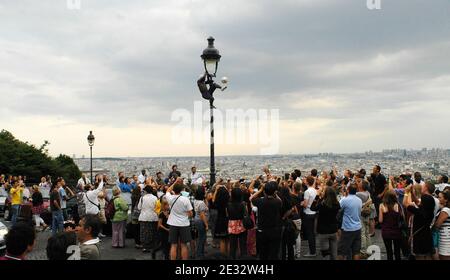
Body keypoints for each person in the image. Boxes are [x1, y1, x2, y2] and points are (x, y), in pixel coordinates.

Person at [251, 181, 282, 260]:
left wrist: (260, 190)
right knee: (273, 253)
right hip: (274, 230)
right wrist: (275, 194)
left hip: (262, 230)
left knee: (263, 253)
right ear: (274, 192)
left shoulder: (260, 201)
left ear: (264, 191)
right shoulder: (277, 202)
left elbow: (251, 198)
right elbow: (280, 201)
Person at [403, 183, 435, 260]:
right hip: (427, 235)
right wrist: (412, 193)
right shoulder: (429, 212)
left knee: (419, 256)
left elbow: (405, 204)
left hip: (419, 238)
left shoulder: (418, 212)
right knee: (427, 255)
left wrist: (406, 192)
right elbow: (417, 201)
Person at [165, 178, 193, 260]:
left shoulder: (170, 198)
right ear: (181, 190)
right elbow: (190, 213)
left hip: (173, 223)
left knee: (173, 245)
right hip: (184, 223)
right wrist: (186, 216)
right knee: (184, 245)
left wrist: (174, 182)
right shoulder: (185, 199)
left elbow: (168, 190)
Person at [311, 186, 340, 260]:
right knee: (334, 254)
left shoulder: (322, 205)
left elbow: (312, 208)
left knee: (325, 254)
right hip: (333, 230)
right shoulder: (337, 204)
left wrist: (317, 197)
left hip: (323, 231)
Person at [338, 183, 362, 260]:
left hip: (347, 229)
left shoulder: (344, 200)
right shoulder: (359, 200)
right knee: (356, 251)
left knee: (342, 251)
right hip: (358, 228)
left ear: (348, 190)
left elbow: (338, 208)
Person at [379, 190, 402, 260]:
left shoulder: (382, 205)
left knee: (389, 251)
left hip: (386, 231)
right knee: (397, 251)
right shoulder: (397, 205)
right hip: (396, 230)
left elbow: (380, 220)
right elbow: (399, 218)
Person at [138, 186, 159, 257]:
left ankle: (145, 246)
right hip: (153, 216)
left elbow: (139, 207)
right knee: (152, 231)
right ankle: (152, 246)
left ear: (146, 191)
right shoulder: (155, 198)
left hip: (143, 216)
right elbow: (157, 207)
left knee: (144, 231)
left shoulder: (142, 198)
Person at [227, 187, 248, 259]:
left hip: (232, 225)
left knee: (232, 246)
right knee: (243, 246)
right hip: (241, 224)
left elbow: (227, 214)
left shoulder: (228, 204)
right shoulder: (243, 204)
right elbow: (246, 214)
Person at [301, 176, 318, 257]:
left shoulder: (307, 192)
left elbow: (305, 204)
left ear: (307, 182)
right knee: (312, 233)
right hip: (313, 212)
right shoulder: (315, 190)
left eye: (305, 180)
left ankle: (312, 252)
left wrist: (301, 203)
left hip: (307, 213)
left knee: (309, 234)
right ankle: (313, 250)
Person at [356, 179, 372, 257]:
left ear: (362, 186)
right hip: (367, 214)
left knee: (362, 233)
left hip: (361, 214)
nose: (358, 184)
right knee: (367, 232)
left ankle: (363, 251)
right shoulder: (368, 193)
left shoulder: (359, 194)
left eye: (360, 183)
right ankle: (369, 250)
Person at [213, 183, 230, 256]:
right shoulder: (229, 202)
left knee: (222, 240)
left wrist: (216, 190)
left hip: (220, 220)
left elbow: (213, 200)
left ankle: (223, 257)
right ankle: (229, 256)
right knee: (228, 240)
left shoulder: (217, 202)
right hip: (228, 220)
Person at [279, 185, 295, 260]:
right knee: (290, 244)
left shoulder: (280, 201)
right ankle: (291, 257)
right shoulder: (290, 199)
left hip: (282, 223)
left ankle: (283, 257)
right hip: (289, 222)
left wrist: (283, 217)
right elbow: (291, 209)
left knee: (282, 244)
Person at [433, 189, 450, 260]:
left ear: (446, 200)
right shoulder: (445, 209)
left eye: (440, 197)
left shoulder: (446, 210)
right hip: (445, 238)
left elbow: (437, 224)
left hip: (445, 240)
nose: (438, 199)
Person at [193, 188, 209, 259]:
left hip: (196, 219)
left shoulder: (196, 201)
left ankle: (200, 253)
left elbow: (207, 206)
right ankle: (200, 254)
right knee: (202, 238)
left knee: (200, 237)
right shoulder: (201, 203)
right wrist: (206, 225)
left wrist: (205, 199)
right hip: (201, 220)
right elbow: (202, 215)